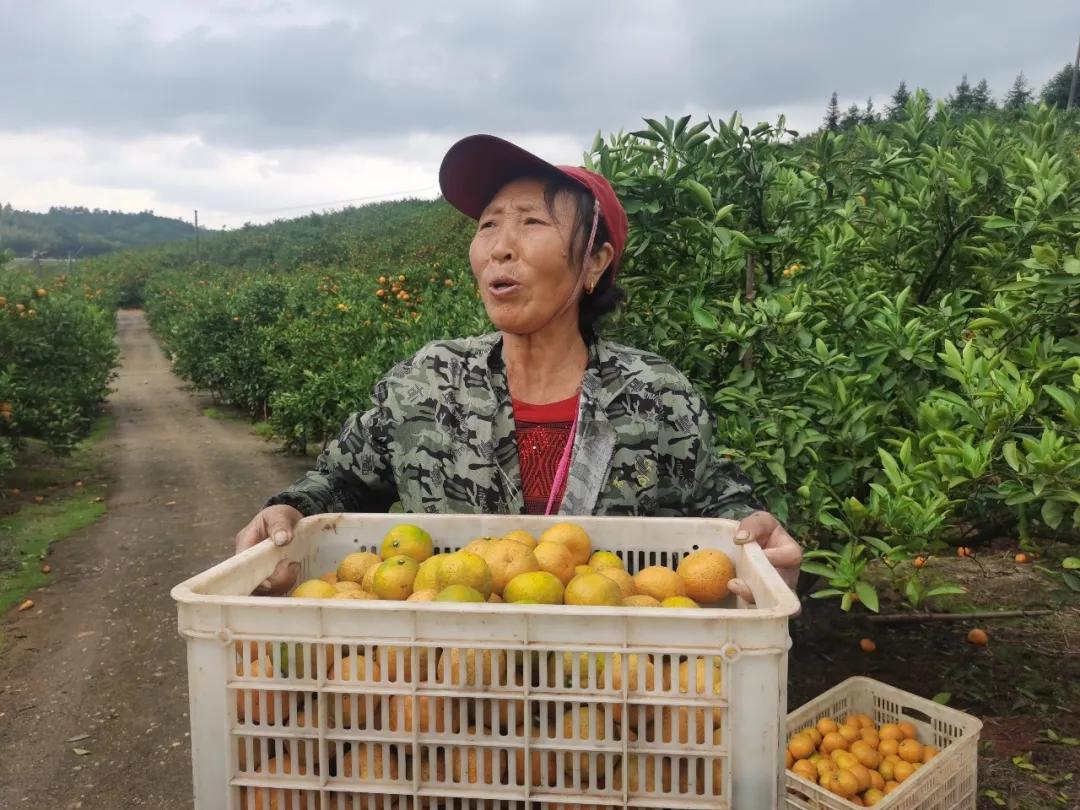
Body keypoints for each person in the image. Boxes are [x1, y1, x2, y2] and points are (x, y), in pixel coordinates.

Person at [234, 134, 801, 601]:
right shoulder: (427, 383)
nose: (500, 247)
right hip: (448, 684)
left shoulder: (655, 394)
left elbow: (721, 506)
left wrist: (760, 541)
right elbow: (338, 484)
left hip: (613, 688)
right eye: (487, 225)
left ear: (594, 263)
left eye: (532, 223)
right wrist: (287, 514)